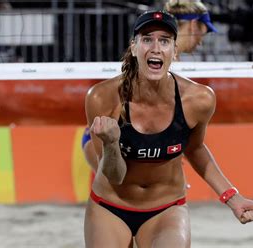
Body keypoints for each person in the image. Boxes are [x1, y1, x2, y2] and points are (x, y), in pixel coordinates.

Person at [84, 10, 253, 247]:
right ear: (134, 47)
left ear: (175, 51)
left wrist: (232, 197)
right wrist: (110, 143)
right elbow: (114, 176)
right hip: (111, 205)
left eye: (165, 41)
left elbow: (196, 149)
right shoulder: (101, 97)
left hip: (166, 208)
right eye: (147, 39)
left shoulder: (199, 99)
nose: (156, 47)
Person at [81, 0, 218, 171]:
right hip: (106, 137)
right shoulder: (149, 55)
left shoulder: (166, 61)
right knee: (120, 189)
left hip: (131, 139)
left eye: (164, 41)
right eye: (204, 32)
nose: (201, 41)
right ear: (193, 25)